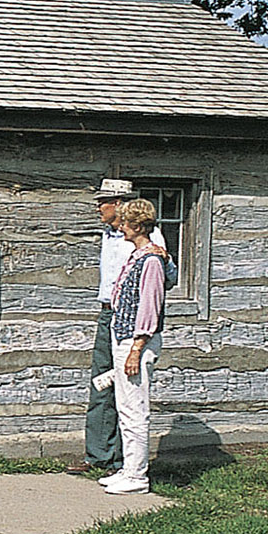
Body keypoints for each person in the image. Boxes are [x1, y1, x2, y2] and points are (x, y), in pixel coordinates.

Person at [83, 180, 165, 474]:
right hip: (109, 314)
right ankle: (98, 455)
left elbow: (160, 278)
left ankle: (124, 462)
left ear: (118, 204)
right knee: (102, 382)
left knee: (129, 389)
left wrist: (140, 337)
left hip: (131, 321)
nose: (98, 207)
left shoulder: (147, 239)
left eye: (103, 201)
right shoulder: (109, 235)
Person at [103, 197, 168, 495]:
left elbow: (150, 307)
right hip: (124, 337)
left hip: (136, 341)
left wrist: (137, 347)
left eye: (125, 222)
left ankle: (138, 477)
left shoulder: (152, 261)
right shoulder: (140, 255)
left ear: (137, 226)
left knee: (135, 409)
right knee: (124, 406)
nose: (121, 227)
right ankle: (129, 469)